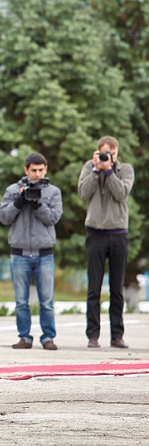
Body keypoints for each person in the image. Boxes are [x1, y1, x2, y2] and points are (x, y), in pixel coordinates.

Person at [0, 153, 63, 351]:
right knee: (21, 301)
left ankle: (48, 337)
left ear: (46, 169)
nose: (37, 174)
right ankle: (24, 337)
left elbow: (53, 218)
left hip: (44, 254)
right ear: (26, 170)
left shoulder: (53, 192)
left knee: (47, 301)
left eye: (40, 170)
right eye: (33, 170)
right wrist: (19, 201)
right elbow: (3, 217)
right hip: (19, 254)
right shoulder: (13, 190)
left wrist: (37, 204)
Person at [78, 136, 134, 349]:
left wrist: (109, 171)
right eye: (103, 153)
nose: (106, 157)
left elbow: (121, 194)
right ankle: (93, 335)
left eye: (110, 153)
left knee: (116, 288)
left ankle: (117, 336)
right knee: (94, 287)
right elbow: (83, 193)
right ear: (97, 152)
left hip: (118, 233)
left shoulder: (125, 170)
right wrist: (95, 170)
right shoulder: (88, 167)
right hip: (95, 233)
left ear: (116, 153)